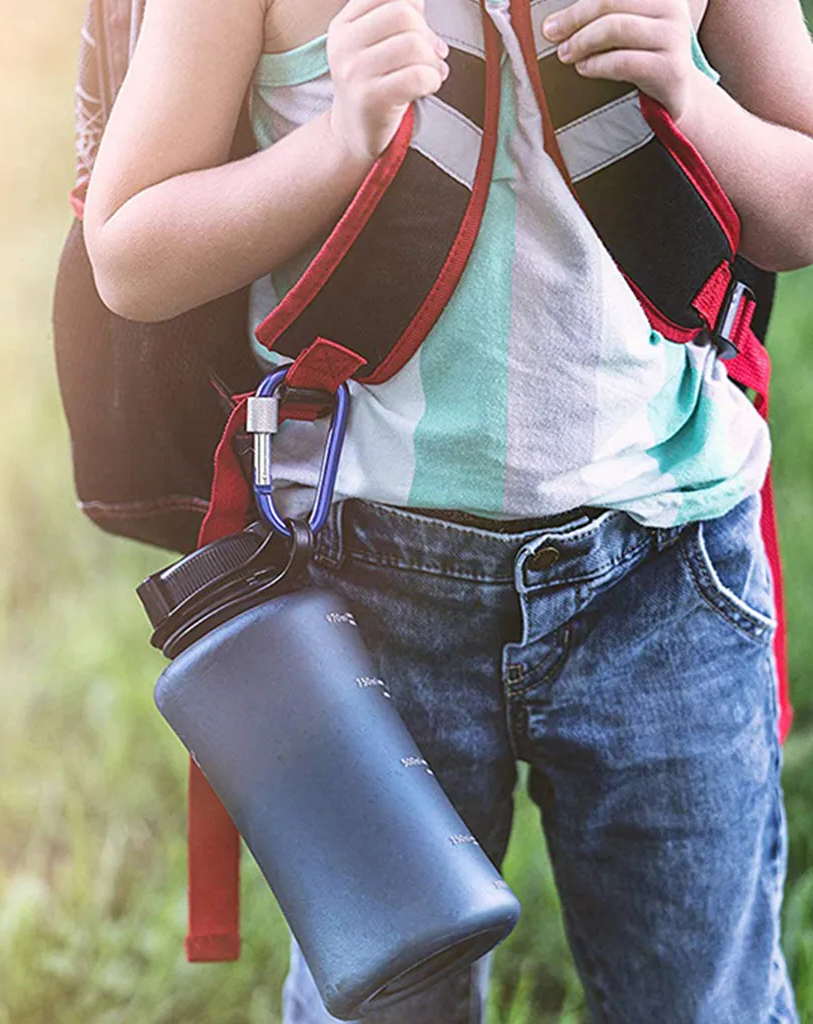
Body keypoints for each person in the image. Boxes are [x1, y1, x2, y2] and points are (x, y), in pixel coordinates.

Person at [81, 0, 813, 1018]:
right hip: (365, 591)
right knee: (387, 998)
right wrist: (340, 139)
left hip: (666, 566)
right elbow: (128, 251)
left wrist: (691, 98)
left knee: (699, 998)